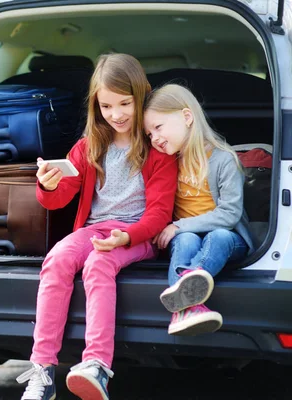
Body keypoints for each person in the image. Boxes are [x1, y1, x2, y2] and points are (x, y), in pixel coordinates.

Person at [16, 53, 178, 400]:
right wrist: (46, 184)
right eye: (106, 106)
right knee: (57, 260)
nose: (116, 114)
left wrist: (128, 236)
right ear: (95, 106)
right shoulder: (89, 147)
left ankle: (97, 366)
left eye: (125, 103)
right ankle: (42, 369)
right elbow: (58, 199)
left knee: (99, 264)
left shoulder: (158, 149)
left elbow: (160, 214)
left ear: (142, 96)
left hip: (138, 233)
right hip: (94, 230)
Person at [143, 84, 255, 336]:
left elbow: (229, 214)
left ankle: (188, 282)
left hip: (228, 238)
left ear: (187, 117)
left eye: (158, 127)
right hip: (189, 238)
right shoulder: (167, 164)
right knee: (185, 241)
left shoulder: (224, 159)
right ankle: (188, 310)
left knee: (218, 236)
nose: (155, 138)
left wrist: (178, 225)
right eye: (149, 134)